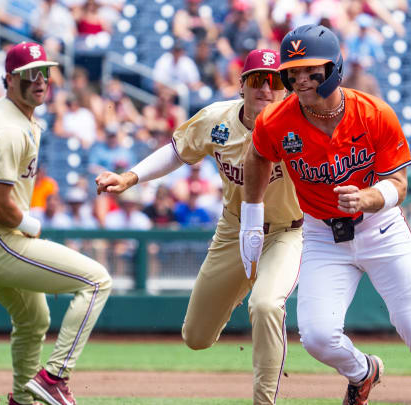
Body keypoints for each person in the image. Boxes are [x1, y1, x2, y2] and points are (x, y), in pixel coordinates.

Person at [241, 25, 411, 405]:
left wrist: (369, 198)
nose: (300, 79)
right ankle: (363, 371)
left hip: (381, 229)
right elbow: (258, 155)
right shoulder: (276, 120)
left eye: (311, 70)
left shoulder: (373, 113)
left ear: (333, 70)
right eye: (293, 72)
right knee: (317, 336)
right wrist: (251, 215)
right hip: (322, 236)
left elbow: (400, 183)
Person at [95, 48, 304, 405]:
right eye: (257, 80)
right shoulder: (216, 119)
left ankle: (264, 400)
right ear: (242, 86)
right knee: (196, 336)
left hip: (286, 231)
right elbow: (178, 151)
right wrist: (131, 177)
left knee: (266, 306)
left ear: (286, 89)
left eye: (274, 81)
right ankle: (239, 290)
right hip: (234, 229)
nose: (265, 88)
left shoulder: (300, 124)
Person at [0, 41, 112, 405]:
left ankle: (24, 399)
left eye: (45, 71)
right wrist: (29, 224)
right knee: (97, 281)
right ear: (9, 80)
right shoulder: (8, 130)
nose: (40, 80)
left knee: (34, 319)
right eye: (29, 74)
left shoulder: (10, 112)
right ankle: (54, 377)